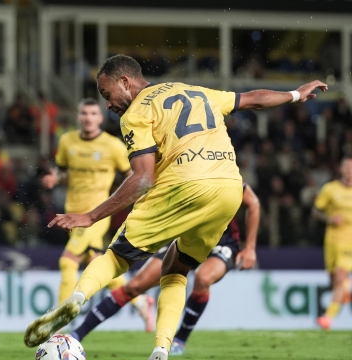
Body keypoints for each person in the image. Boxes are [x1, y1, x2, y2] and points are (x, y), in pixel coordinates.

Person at [23, 54, 326, 360]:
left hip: (182, 186)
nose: (108, 105)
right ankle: (161, 349)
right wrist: (296, 94)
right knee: (177, 268)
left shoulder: (136, 113)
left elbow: (142, 178)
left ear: (125, 83)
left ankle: (78, 296)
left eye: (107, 94)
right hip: (229, 190)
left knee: (116, 257)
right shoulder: (195, 91)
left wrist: (91, 216)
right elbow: (253, 100)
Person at [70, 183, 260, 357]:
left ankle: (180, 339)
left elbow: (253, 203)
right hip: (180, 237)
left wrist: (250, 247)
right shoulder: (179, 167)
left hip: (220, 242)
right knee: (135, 286)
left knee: (203, 278)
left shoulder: (222, 171)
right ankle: (78, 333)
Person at [41, 98, 152, 328]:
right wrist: (55, 178)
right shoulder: (67, 141)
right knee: (96, 263)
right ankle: (140, 302)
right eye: (84, 113)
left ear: (100, 118)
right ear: (78, 117)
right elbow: (62, 169)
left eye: (93, 113)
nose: (88, 118)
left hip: (96, 215)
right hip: (71, 213)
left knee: (67, 261)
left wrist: (137, 197)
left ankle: (60, 322)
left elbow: (133, 174)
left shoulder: (113, 147)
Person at [314, 155, 352, 330]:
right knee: (333, 281)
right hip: (331, 241)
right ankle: (344, 291)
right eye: (347, 167)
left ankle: (327, 319)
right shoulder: (330, 189)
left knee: (340, 275)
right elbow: (316, 211)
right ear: (341, 169)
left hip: (349, 243)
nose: (349, 171)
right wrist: (329, 218)